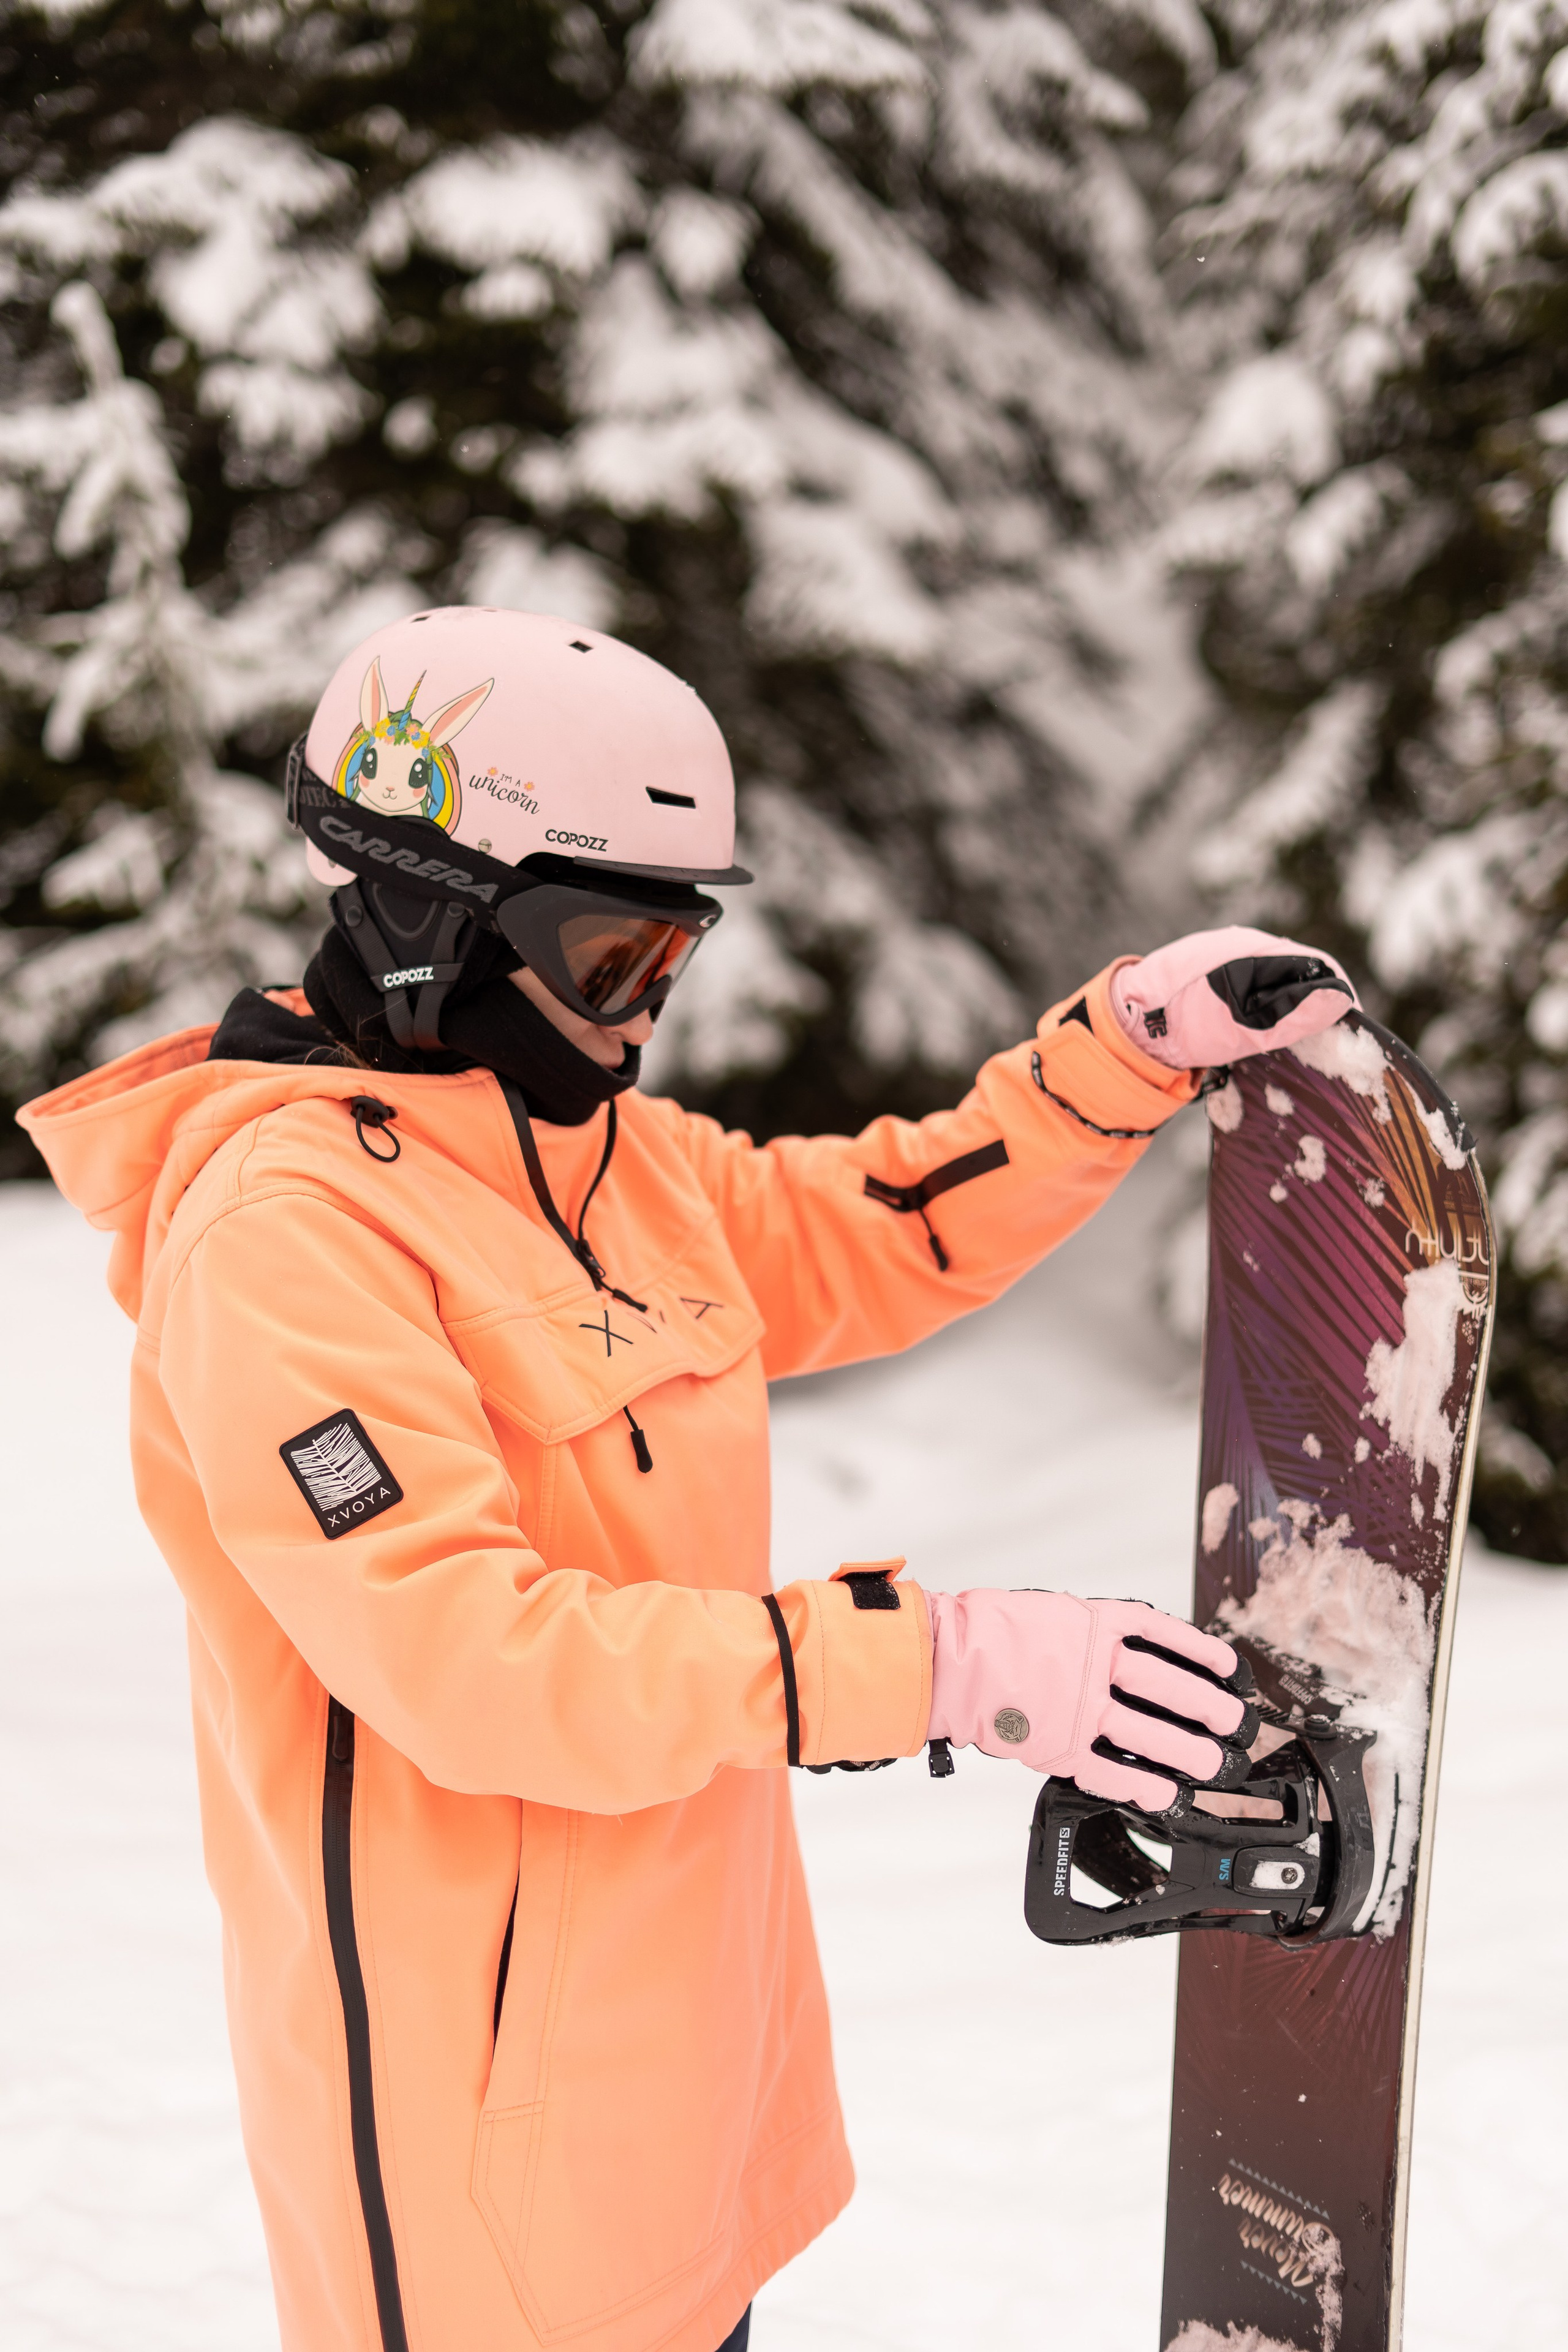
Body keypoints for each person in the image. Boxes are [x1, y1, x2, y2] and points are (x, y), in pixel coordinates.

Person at [21, 609, 1356, 2352]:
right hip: (472, 2155)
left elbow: (881, 1224)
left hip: (673, 2080)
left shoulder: (604, 1160)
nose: (641, 1018)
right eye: (606, 961)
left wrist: (1122, 1051)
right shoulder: (288, 1238)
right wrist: (939, 1666)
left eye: (673, 956)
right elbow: (472, 1660)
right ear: (427, 912)